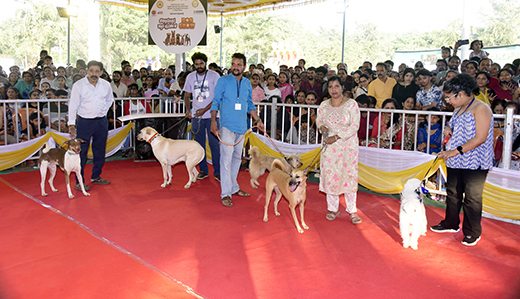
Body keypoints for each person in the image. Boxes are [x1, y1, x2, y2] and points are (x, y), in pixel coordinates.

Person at [432, 73, 494, 246]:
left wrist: (455, 151)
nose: (448, 102)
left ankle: (472, 231)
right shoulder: (459, 108)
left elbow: (480, 137)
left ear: (460, 94)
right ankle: (451, 223)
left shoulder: (481, 108)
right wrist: (448, 129)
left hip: (475, 160)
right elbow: (452, 124)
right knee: (453, 193)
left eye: (449, 98)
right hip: (456, 159)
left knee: (472, 197)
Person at [210, 53, 265, 207]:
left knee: (236, 159)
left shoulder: (247, 83)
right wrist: (213, 122)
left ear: (244, 67)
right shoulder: (223, 81)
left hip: (242, 127)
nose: (236, 67)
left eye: (239, 64)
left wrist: (258, 120)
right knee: (226, 160)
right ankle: (225, 193)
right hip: (226, 126)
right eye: (233, 64)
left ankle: (234, 188)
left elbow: (249, 104)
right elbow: (215, 102)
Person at [316, 76, 361, 224]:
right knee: (331, 176)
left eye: (336, 86)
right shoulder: (323, 105)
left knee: (349, 177)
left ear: (342, 87)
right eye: (330, 87)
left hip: (348, 146)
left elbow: (354, 126)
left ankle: (352, 210)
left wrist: (336, 137)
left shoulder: (351, 105)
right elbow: (319, 120)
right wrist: (321, 127)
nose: (333, 90)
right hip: (330, 148)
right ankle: (333, 209)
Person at [68, 60, 114, 191]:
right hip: (84, 122)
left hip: (101, 122)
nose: (94, 73)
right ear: (87, 71)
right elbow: (73, 105)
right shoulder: (79, 85)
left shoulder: (105, 85)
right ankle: (79, 181)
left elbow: (110, 100)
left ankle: (96, 176)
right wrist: (71, 124)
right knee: (80, 152)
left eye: (97, 71)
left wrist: (103, 112)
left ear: (101, 72)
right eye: (91, 70)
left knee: (99, 150)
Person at [184, 52, 221, 182]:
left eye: (201, 63)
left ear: (205, 63)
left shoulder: (214, 75)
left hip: (212, 116)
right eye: (196, 64)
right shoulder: (190, 77)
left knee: (214, 144)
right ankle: (203, 170)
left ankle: (218, 172)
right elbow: (187, 96)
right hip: (196, 117)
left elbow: (217, 97)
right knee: (199, 146)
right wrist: (188, 110)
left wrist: (205, 110)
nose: (199, 66)